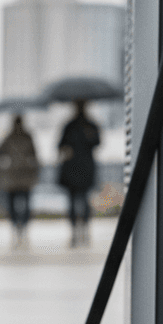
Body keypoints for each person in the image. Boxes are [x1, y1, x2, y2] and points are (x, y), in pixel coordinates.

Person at [57, 99, 101, 246]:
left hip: (76, 168)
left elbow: (61, 146)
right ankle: (80, 232)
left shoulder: (72, 126)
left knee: (76, 200)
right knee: (81, 200)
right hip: (82, 168)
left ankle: (79, 232)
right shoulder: (88, 125)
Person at [0, 114, 39, 244]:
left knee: (18, 203)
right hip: (19, 175)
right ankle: (19, 228)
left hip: (17, 175)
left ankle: (19, 228)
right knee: (19, 203)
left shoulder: (11, 137)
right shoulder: (20, 137)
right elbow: (35, 156)